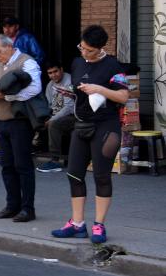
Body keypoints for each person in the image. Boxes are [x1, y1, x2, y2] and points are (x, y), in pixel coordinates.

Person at [51, 25, 128, 244]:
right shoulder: (77, 63)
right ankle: (77, 224)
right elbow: (80, 90)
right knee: (74, 173)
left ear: (100, 48)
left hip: (106, 126)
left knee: (101, 176)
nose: (84, 53)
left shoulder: (113, 65)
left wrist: (100, 89)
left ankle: (99, 225)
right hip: (82, 124)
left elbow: (123, 96)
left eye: (89, 50)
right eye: (81, 48)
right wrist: (72, 93)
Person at [0, 34, 42, 223]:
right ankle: (12, 205)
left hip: (20, 121)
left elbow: (35, 88)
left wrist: (7, 97)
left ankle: (28, 208)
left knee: (23, 165)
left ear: (9, 47)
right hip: (1, 121)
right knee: (7, 166)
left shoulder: (27, 62)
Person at [38, 62, 76, 173]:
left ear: (61, 69)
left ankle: (54, 160)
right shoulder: (50, 85)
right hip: (57, 115)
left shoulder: (69, 81)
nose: (53, 75)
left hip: (72, 116)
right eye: (50, 73)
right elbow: (49, 105)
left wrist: (52, 119)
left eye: (56, 71)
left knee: (54, 124)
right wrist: (44, 117)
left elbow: (69, 107)